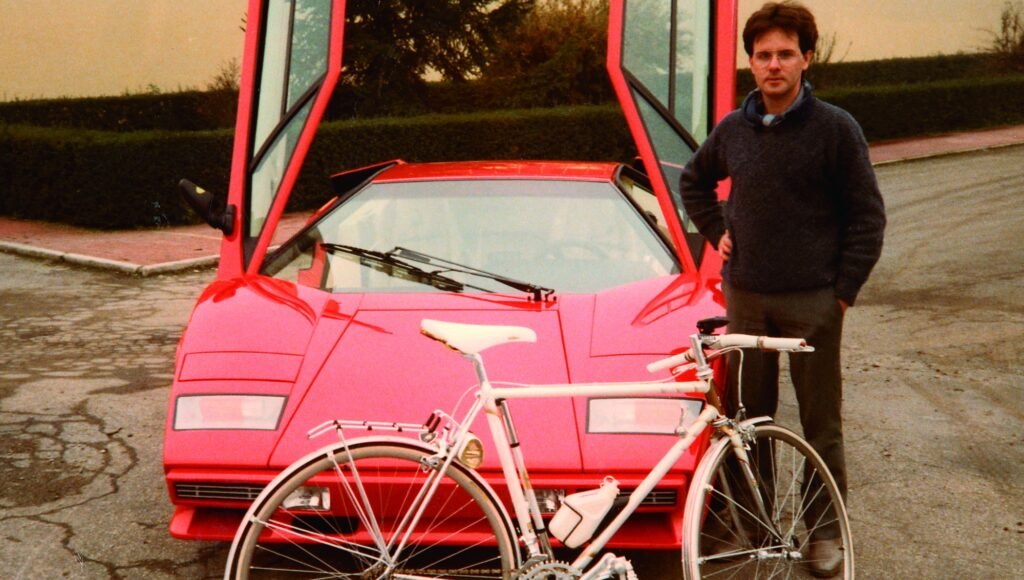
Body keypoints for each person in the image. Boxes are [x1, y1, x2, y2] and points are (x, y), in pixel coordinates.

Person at [679, 1, 885, 577]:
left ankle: (823, 534)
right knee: (749, 421)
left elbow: (868, 218)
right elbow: (694, 181)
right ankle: (754, 525)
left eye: (785, 54)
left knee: (821, 424)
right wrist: (717, 230)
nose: (774, 64)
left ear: (806, 59)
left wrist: (840, 294)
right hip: (746, 299)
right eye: (763, 54)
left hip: (812, 304)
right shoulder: (732, 129)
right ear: (751, 62)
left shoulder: (836, 129)